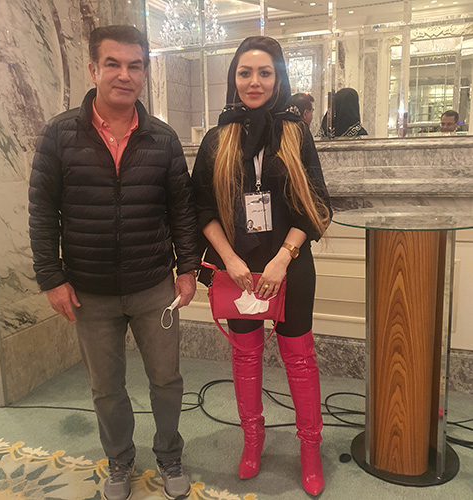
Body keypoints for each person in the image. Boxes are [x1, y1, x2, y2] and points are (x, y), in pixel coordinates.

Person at [29, 25, 199, 500]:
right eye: (113, 64)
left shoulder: (162, 139)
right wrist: (52, 278)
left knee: (166, 380)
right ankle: (120, 461)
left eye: (134, 66)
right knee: (106, 388)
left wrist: (187, 268)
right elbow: (42, 211)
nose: (124, 75)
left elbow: (182, 211)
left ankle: (169, 455)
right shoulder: (59, 135)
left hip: (153, 287)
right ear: (93, 70)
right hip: (90, 290)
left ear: (144, 72)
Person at [192, 36, 331, 496]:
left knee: (299, 357)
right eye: (245, 72)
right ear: (234, 78)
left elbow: (316, 205)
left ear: (278, 78)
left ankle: (310, 449)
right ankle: (252, 441)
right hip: (238, 268)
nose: (255, 82)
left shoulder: (295, 133)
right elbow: (201, 208)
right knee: (246, 356)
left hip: (289, 262)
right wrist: (230, 260)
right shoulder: (217, 139)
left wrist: (282, 259)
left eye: (265, 73)